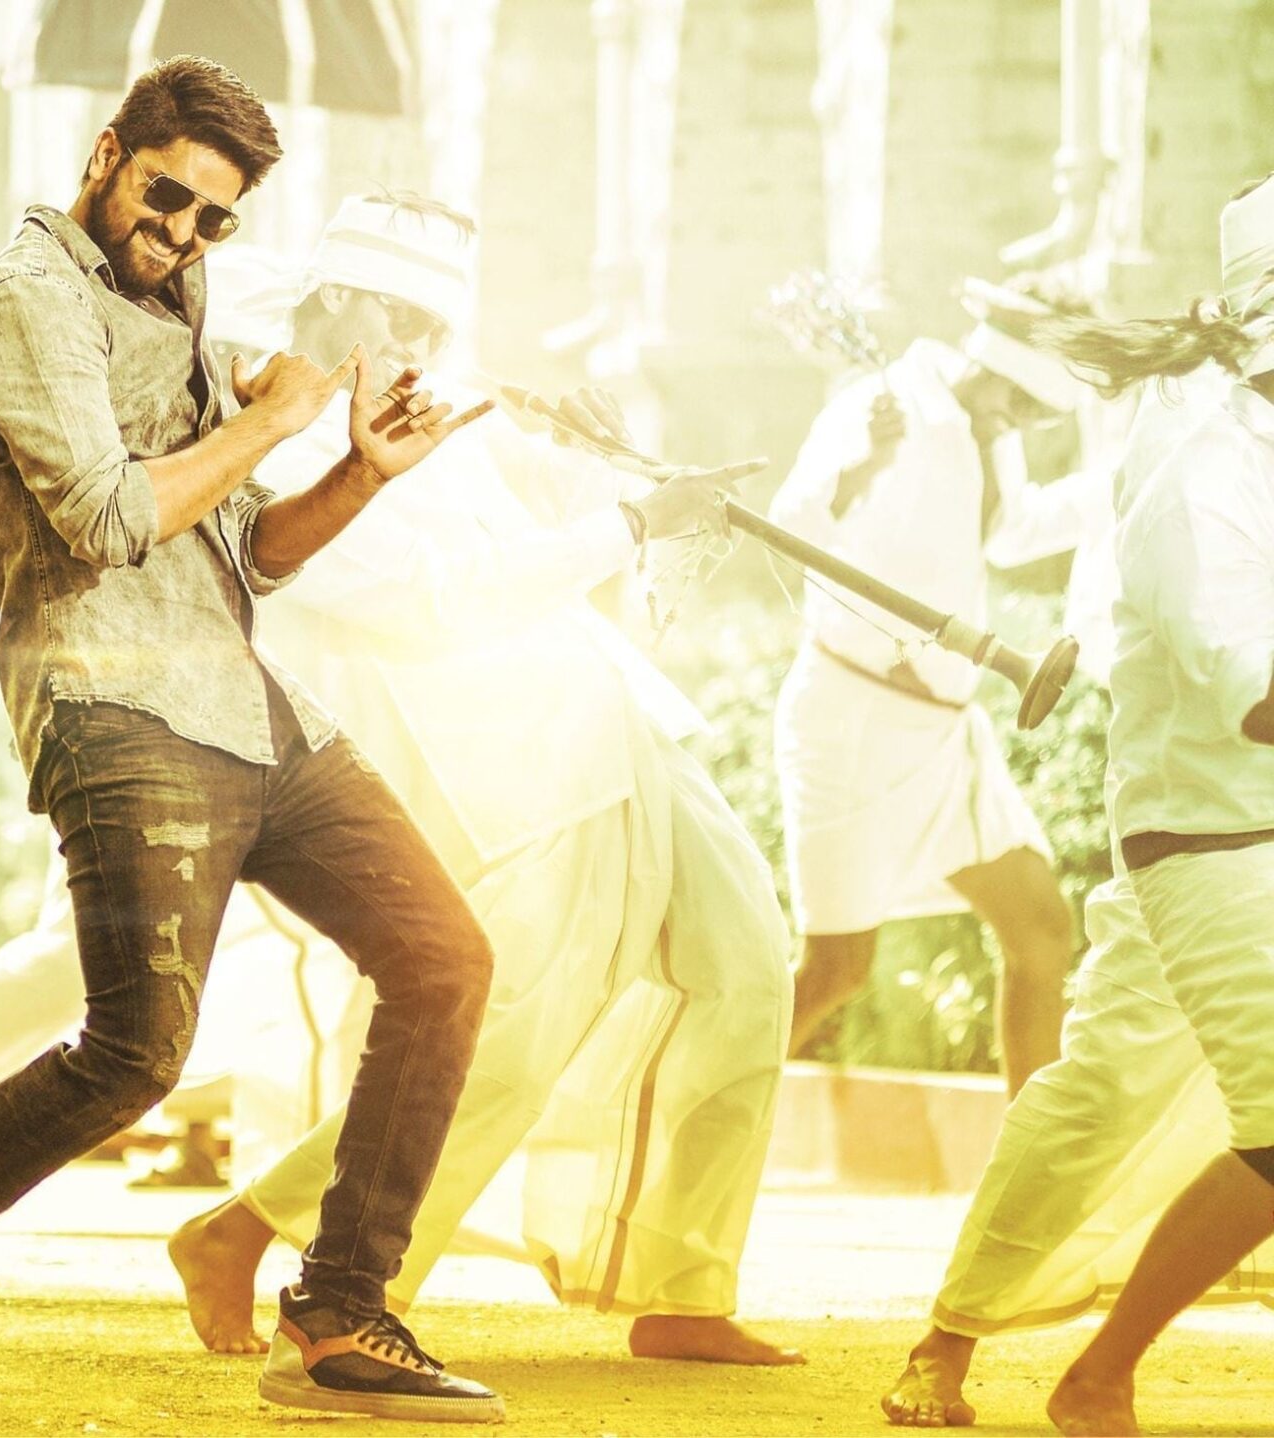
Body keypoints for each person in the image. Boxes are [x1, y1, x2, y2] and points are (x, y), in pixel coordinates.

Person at [0, 57, 503, 1421]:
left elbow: (249, 550)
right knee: (135, 1054)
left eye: (214, 219)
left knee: (445, 959)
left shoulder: (177, 300)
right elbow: (107, 519)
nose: (182, 235)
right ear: (107, 153)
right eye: (167, 199)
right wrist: (272, 415)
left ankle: (337, 1310)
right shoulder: (23, 303)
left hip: (246, 703)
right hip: (111, 706)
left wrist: (356, 469)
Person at [166, 193, 800, 1369]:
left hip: (606, 714)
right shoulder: (275, 435)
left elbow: (546, 516)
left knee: (747, 962)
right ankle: (265, 1236)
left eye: (434, 326)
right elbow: (431, 601)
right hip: (500, 763)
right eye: (399, 316)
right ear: (334, 294)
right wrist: (631, 520)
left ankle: (682, 1280)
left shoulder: (428, 398)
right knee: (507, 1029)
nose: (420, 345)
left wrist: (603, 460)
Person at [885, 175, 1274, 1437]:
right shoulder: (1199, 471)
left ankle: (950, 1337)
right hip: (1209, 837)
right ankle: (1091, 1374)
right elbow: (1250, 692)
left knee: (1096, 1087)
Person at [770, 282, 1096, 1093]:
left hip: (947, 735)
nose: (1020, 425)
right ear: (997, 368)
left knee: (1041, 932)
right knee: (837, 969)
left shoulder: (988, 427)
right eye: (1020, 406)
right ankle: (696, 1125)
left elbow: (1010, 532)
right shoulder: (879, 406)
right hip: (852, 724)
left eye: (1034, 416)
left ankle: (1030, 1157)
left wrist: (1127, 484)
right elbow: (792, 524)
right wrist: (865, 465)